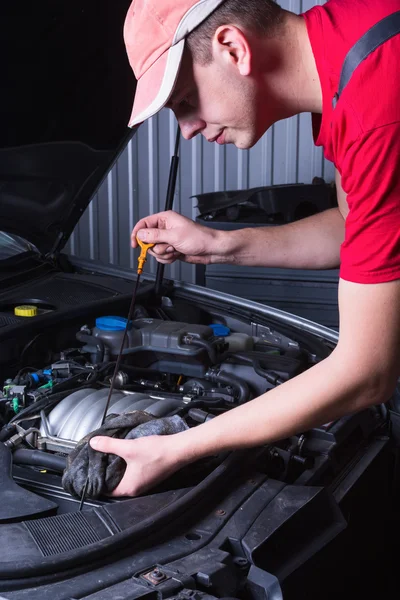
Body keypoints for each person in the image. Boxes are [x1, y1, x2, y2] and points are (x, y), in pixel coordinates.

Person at [89, 0, 400, 496]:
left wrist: (177, 445)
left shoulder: (379, 107)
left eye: (185, 101)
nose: (186, 129)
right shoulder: (348, 47)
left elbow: (367, 373)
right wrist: (214, 245)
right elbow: (352, 226)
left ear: (233, 48)